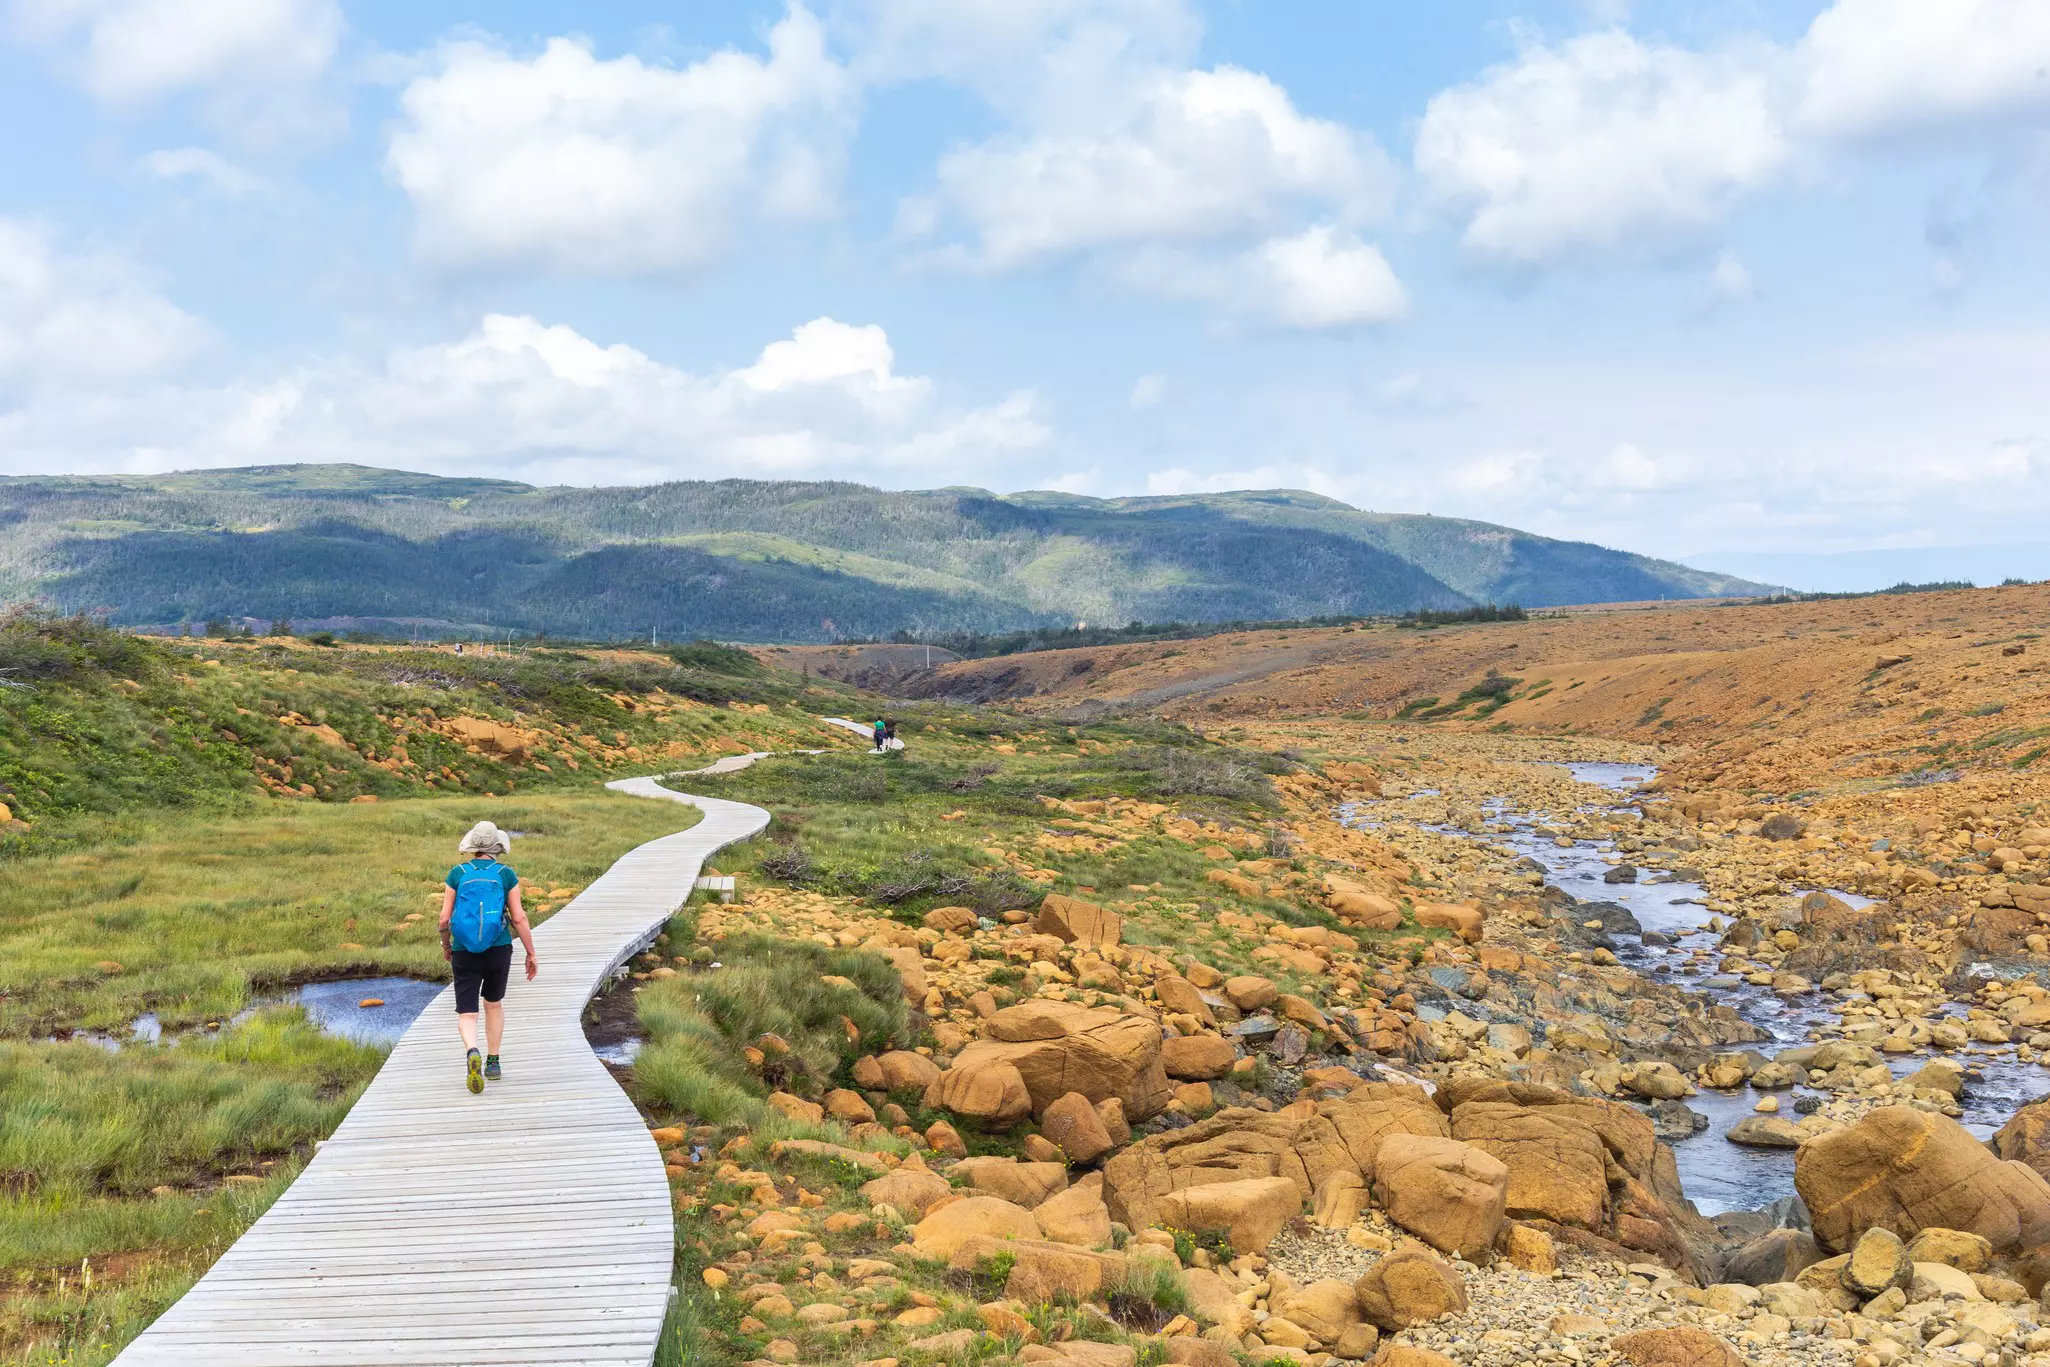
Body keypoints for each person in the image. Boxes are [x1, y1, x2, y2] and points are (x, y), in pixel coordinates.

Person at [438, 820, 538, 1094]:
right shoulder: (506, 874)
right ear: (496, 847)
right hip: (498, 948)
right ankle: (493, 1063)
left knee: (468, 1012)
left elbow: (444, 919)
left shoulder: (457, 874)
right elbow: (518, 917)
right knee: (493, 1005)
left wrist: (447, 945)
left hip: (464, 950)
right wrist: (530, 952)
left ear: (472, 846)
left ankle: (472, 1051)